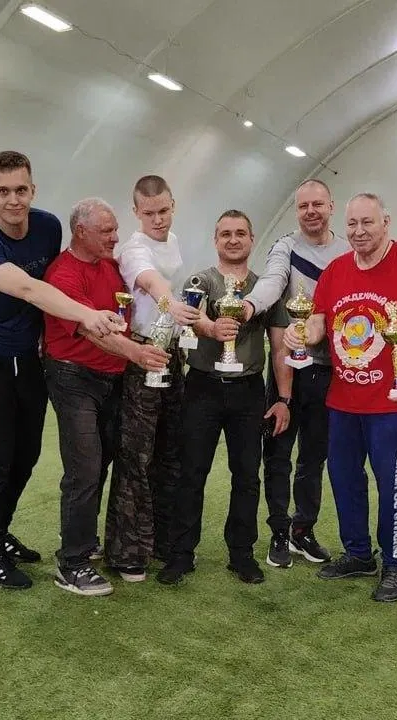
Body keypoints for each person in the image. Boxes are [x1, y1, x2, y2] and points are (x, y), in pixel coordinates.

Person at [0, 151, 124, 590]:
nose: (13, 200)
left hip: (31, 360)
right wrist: (87, 315)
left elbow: (58, 274)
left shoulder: (48, 226)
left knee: (26, 455)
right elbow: (30, 288)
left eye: (21, 190)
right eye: (3, 191)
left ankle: (2, 531)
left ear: (33, 189)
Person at [284, 193, 397, 603]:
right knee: (344, 480)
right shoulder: (336, 270)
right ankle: (358, 554)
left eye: (367, 223)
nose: (359, 232)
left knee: (393, 486)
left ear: (385, 222)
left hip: (394, 403)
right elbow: (318, 324)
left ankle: (394, 564)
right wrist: (300, 333)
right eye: (352, 224)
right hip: (342, 401)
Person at [43, 198, 171, 597]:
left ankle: (85, 540)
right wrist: (138, 353)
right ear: (81, 232)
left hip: (113, 379)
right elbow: (90, 329)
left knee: (102, 462)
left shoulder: (112, 266)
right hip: (73, 378)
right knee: (83, 467)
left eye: (115, 229)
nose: (116, 237)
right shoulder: (63, 274)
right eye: (107, 231)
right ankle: (72, 562)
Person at [159, 210, 290, 586]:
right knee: (191, 473)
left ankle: (241, 554)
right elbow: (189, 317)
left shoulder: (266, 289)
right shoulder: (200, 280)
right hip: (202, 387)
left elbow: (280, 346)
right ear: (215, 240)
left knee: (247, 475)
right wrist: (211, 328)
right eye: (226, 234)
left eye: (240, 233)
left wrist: (284, 398)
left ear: (251, 239)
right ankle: (181, 554)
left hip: (249, 392)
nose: (233, 240)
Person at [240, 178, 350, 569]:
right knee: (279, 455)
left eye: (317, 204)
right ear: (296, 210)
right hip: (288, 369)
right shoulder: (285, 247)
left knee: (314, 458)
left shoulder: (347, 251)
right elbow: (272, 283)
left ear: (331, 206)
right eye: (303, 205)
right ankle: (278, 531)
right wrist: (250, 305)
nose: (311, 212)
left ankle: (303, 530)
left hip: (331, 371)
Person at [105, 175, 200, 583]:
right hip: (141, 357)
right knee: (135, 456)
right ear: (136, 212)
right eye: (149, 213)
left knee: (170, 453)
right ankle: (126, 552)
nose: (158, 219)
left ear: (172, 205)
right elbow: (149, 280)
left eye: (163, 211)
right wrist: (170, 304)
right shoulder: (133, 249)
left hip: (173, 355)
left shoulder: (174, 241)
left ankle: (160, 539)